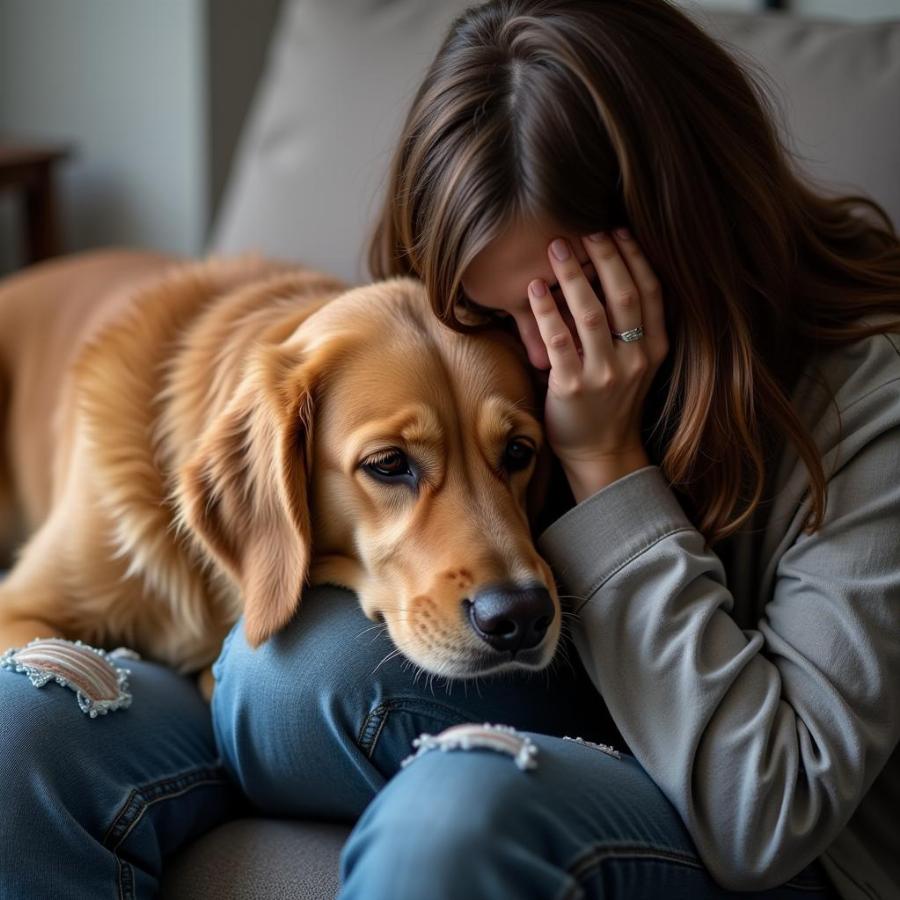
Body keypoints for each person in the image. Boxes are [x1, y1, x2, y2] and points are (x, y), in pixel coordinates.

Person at [2, 3, 898, 900]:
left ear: (692, 244)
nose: (532, 363)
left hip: (762, 820)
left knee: (326, 706)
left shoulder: (871, 398)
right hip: (482, 692)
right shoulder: (422, 370)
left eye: (571, 308)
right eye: (492, 319)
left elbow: (766, 804)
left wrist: (607, 463)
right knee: (37, 731)